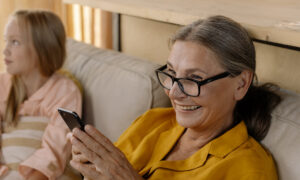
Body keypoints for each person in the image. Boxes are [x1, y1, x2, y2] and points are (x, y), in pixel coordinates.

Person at [69, 15, 281, 179]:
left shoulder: (250, 169)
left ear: (241, 84)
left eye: (194, 78)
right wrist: (93, 169)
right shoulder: (151, 121)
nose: (173, 92)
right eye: (171, 74)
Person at [0, 10, 82, 179]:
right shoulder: (2, 84)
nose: (5, 51)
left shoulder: (65, 91)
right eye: (5, 41)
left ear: (41, 49)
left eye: (14, 42)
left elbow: (56, 150)